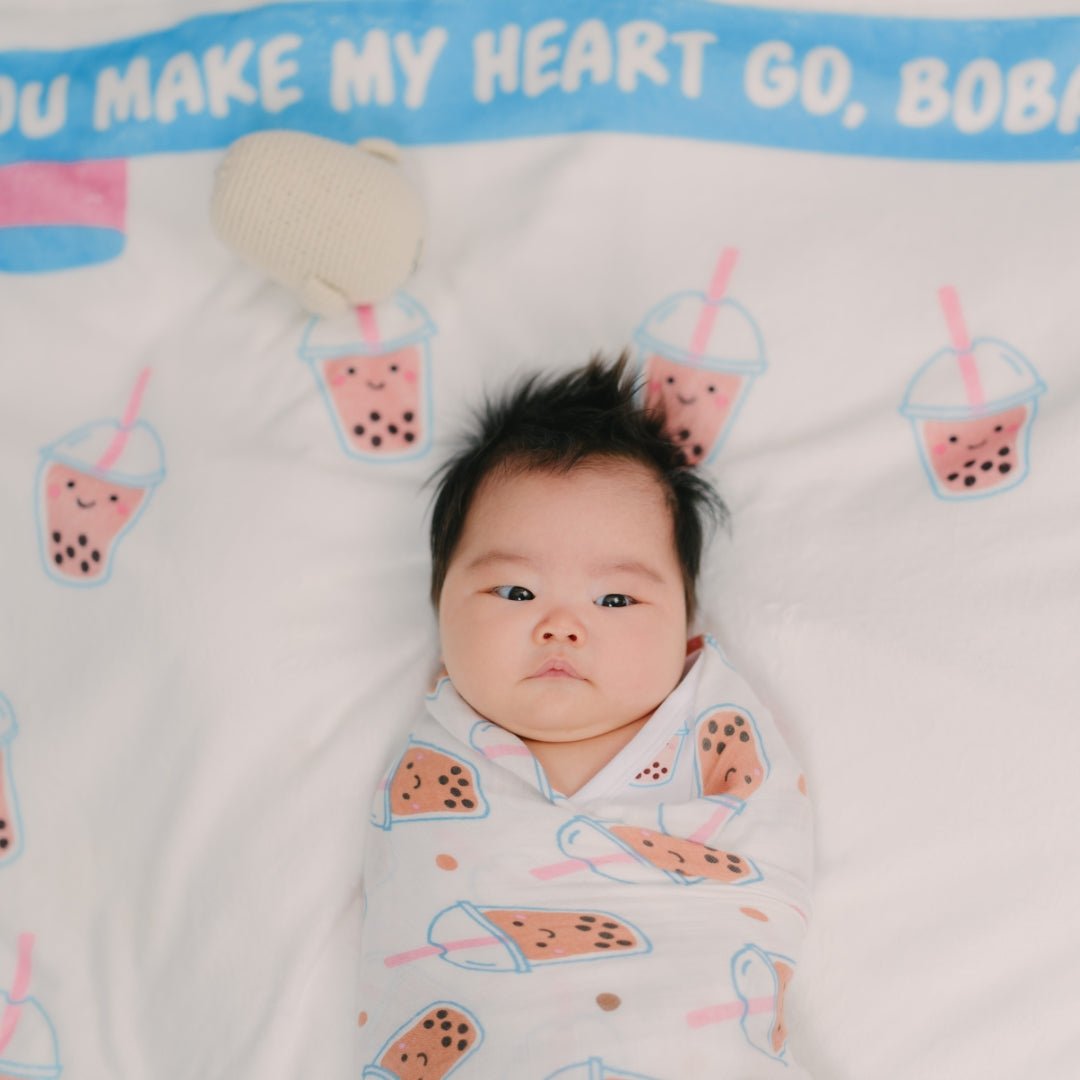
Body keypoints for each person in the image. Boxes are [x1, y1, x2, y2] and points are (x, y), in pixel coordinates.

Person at [357, 355, 814, 1080]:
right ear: (440, 605)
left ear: (686, 629)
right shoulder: (435, 751)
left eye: (614, 601)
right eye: (514, 591)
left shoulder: (718, 732)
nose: (561, 626)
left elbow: (762, 864)